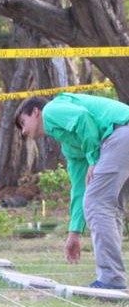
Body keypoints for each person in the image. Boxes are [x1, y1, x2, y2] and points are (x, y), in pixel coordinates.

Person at [16, 93, 129, 289]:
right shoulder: (70, 144)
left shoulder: (51, 110)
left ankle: (111, 279)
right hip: (118, 138)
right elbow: (79, 189)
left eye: (22, 123)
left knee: (97, 204)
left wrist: (93, 159)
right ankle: (112, 277)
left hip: (119, 133)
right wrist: (74, 233)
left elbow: (82, 118)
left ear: (35, 112)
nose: (23, 131)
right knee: (108, 206)